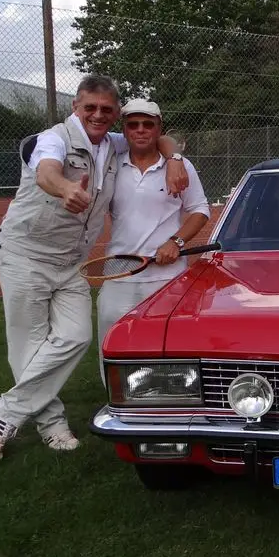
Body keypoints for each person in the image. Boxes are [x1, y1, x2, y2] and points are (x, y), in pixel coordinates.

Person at [0, 75, 189, 462]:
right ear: (75, 107)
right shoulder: (54, 139)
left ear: (115, 113)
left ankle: (5, 408)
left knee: (76, 337)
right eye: (89, 107)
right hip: (26, 254)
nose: (97, 115)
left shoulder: (112, 143)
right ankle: (51, 425)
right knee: (30, 342)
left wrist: (174, 159)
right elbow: (46, 170)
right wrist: (65, 188)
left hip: (71, 262)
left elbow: (160, 138)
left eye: (106, 109)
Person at [95, 99, 210, 386]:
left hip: (167, 276)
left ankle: (170, 401)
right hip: (119, 272)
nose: (141, 130)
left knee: (168, 347)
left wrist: (176, 241)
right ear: (125, 130)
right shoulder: (111, 164)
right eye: (133, 124)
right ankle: (116, 400)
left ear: (158, 128)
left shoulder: (180, 166)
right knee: (113, 345)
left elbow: (200, 210)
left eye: (148, 124)